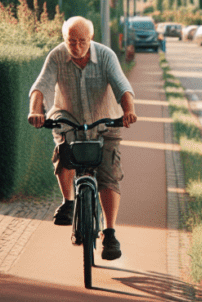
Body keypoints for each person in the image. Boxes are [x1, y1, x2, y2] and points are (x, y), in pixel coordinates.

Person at [28, 16, 137, 260]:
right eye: (71, 41)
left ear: (91, 38)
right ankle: (68, 202)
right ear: (64, 39)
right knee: (64, 150)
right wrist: (35, 111)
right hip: (68, 116)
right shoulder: (56, 56)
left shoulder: (106, 56)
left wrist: (129, 110)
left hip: (105, 120)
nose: (76, 47)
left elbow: (122, 87)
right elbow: (40, 86)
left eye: (82, 41)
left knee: (108, 173)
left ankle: (109, 233)